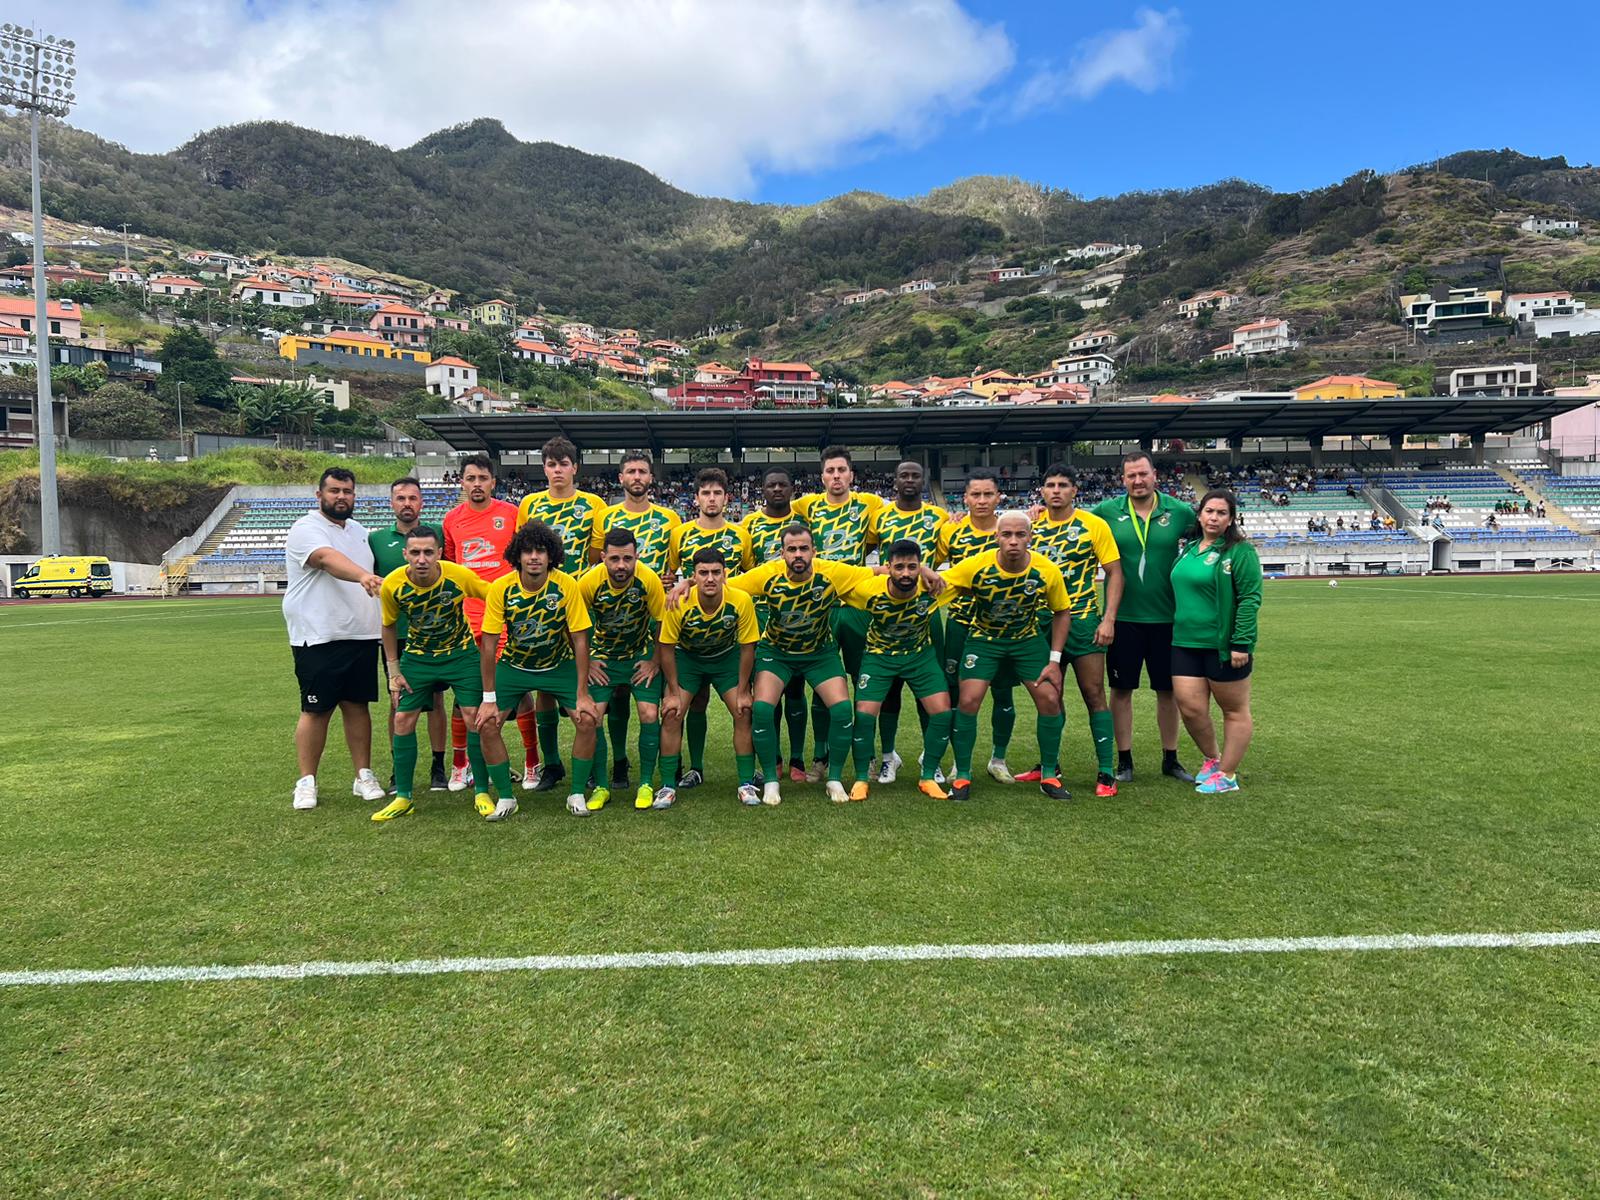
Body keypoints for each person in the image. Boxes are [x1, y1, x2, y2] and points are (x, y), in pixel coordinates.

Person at [728, 525, 938, 804]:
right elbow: (725, 584)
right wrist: (685, 583)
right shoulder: (767, 574)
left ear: (814, 551)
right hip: (776, 653)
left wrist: (924, 571)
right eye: (792, 549)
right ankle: (770, 781)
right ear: (782, 553)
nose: (798, 554)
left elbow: (881, 571)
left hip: (820, 653)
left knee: (841, 710)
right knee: (763, 708)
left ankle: (835, 778)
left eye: (804, 548)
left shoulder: (832, 572)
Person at [940, 511, 1071, 803]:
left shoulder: (1046, 570)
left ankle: (1049, 774)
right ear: (997, 537)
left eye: (1020, 535)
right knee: (969, 699)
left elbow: (1062, 611)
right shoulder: (975, 566)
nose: (1013, 541)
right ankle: (962, 774)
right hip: (984, 639)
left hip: (1026, 640)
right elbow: (940, 583)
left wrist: (1054, 659)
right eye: (1007, 535)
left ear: (1030, 537)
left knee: (1049, 699)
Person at [474, 521, 601, 820]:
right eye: (528, 551)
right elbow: (489, 645)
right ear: (517, 555)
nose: (534, 557)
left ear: (551, 556)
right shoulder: (501, 588)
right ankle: (506, 797)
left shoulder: (565, 585)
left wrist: (582, 693)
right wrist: (488, 697)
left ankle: (577, 792)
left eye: (541, 551)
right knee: (488, 723)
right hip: (515, 666)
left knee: (587, 719)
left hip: (558, 665)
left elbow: (580, 639)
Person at [282, 467, 387, 811]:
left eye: (348, 491)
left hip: (361, 633)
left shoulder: (359, 531)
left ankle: (363, 776)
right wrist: (363, 576)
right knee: (316, 708)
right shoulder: (306, 528)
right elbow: (326, 559)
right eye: (334, 490)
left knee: (357, 706)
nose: (341, 496)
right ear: (320, 495)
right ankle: (306, 782)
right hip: (319, 635)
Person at [1091, 452, 1200, 784]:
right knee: (1121, 690)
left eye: (1142, 474)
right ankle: (1124, 760)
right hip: (1122, 617)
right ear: (1122, 479)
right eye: (1130, 476)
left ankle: (1171, 758)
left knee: (1168, 692)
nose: (1137, 481)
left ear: (1155, 475)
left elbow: (1210, 539)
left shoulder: (1179, 512)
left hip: (1168, 618)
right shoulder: (1106, 512)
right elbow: (1068, 522)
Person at [372, 526, 493, 822]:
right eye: (415, 552)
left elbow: (494, 596)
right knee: (402, 718)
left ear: (439, 553)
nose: (422, 559)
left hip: (462, 655)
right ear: (405, 555)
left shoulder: (458, 575)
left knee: (472, 716)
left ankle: (481, 791)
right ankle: (403, 796)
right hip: (418, 658)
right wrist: (393, 670)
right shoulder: (393, 585)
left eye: (428, 552)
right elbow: (388, 626)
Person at [516, 436, 608, 797]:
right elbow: (525, 550)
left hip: (577, 599)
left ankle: (594, 768)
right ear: (544, 469)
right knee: (545, 687)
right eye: (551, 465)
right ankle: (552, 763)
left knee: (588, 678)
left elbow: (595, 555)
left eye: (563, 464)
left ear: (575, 468)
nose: (558, 471)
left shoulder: (594, 503)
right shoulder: (530, 504)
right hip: (540, 601)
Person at [1026, 464, 1124, 796]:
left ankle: (1106, 771)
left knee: (1094, 694)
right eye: (1050, 485)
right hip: (1040, 621)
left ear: (1074, 490)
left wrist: (1108, 618)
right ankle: (1050, 767)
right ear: (1041, 491)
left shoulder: (1093, 525)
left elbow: (1115, 572)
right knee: (1048, 697)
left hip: (1082, 620)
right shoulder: (1030, 526)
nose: (1056, 490)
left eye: (1063, 485)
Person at [791, 446, 885, 783]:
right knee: (822, 684)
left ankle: (867, 755)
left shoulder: (870, 504)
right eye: (830, 471)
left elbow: (887, 530)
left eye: (841, 470)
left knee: (865, 683)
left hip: (857, 604)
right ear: (822, 477)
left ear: (851, 475)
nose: (836, 477)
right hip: (821, 604)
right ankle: (821, 758)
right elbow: (770, 516)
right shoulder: (806, 506)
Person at [589, 450, 682, 789]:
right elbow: (593, 564)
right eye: (631, 471)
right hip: (612, 619)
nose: (637, 477)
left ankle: (667, 761)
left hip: (651, 616)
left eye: (643, 471)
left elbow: (674, 565)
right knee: (614, 701)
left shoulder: (670, 518)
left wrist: (668, 583)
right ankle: (618, 762)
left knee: (655, 700)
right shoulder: (606, 516)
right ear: (621, 478)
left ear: (651, 477)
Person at [441, 453, 527, 792]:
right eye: (471, 478)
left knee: (515, 690)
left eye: (483, 478)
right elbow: (449, 563)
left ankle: (530, 761)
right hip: (465, 620)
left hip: (506, 617)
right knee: (465, 694)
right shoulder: (451, 519)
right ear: (462, 482)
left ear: (494, 482)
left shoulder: (511, 514)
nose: (477, 484)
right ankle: (461, 765)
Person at [843, 539, 954, 802]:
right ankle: (861, 779)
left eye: (912, 567)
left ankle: (928, 776)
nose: (906, 573)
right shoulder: (869, 590)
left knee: (941, 711)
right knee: (865, 715)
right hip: (879, 657)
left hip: (920, 657)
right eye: (899, 567)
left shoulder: (933, 588)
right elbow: (836, 582)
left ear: (920, 567)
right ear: (888, 567)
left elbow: (968, 578)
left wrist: (930, 572)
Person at [666, 467, 755, 789]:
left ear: (727, 498)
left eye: (718, 493)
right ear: (697, 498)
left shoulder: (741, 534)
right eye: (706, 493)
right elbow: (670, 577)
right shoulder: (680, 534)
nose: (712, 498)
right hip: (691, 636)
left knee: (745, 705)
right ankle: (695, 767)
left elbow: (748, 579)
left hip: (728, 635)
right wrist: (683, 584)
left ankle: (751, 770)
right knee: (696, 702)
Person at [1170, 489, 1261, 795]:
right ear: (1199, 515)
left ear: (1231, 519)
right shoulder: (1189, 548)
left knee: (1233, 710)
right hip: (1184, 642)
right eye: (1209, 511)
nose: (1214, 517)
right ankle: (1212, 759)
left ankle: (1228, 774)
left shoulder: (1240, 551)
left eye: (1222, 513)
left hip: (1223, 645)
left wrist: (1241, 643)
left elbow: (1250, 599)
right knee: (1190, 707)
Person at [865, 460, 950, 783]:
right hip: (887, 610)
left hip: (925, 611)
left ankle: (932, 756)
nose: (910, 480)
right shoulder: (880, 517)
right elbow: (866, 557)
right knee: (888, 689)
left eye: (916, 475)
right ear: (895, 481)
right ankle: (889, 757)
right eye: (904, 475)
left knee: (928, 687)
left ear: (924, 479)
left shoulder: (940, 517)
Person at [657, 547, 761, 809]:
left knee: (743, 710)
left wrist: (744, 689)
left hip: (726, 658)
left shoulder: (740, 600)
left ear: (725, 574)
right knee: (672, 712)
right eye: (703, 573)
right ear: (694, 575)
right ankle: (668, 785)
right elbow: (666, 648)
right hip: (688, 659)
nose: (710, 578)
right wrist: (671, 691)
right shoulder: (677, 601)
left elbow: (748, 647)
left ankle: (746, 782)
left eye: (716, 572)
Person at [938, 468, 1020, 784]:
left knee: (1002, 692)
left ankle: (998, 759)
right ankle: (960, 762)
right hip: (961, 623)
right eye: (976, 494)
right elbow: (931, 568)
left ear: (999, 497)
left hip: (1002, 627)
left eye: (989, 494)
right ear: (965, 498)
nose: (982, 500)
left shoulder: (1013, 529)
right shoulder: (951, 532)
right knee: (956, 693)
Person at [576, 528, 667, 811]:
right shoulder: (589, 582)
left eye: (627, 559)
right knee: (592, 717)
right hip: (603, 657)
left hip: (639, 655)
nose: (621, 566)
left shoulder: (648, 579)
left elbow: (663, 623)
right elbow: (575, 624)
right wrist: (588, 661)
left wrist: (655, 661)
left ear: (636, 556)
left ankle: (646, 783)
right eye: (614, 559)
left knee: (649, 712)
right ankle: (602, 786)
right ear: (602, 557)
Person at [369, 477, 449, 794]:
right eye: (400, 498)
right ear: (392, 503)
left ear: (421, 503)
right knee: (397, 699)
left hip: (435, 633)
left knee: (437, 699)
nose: (406, 503)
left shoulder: (436, 534)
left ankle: (438, 767)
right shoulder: (375, 540)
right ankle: (397, 770)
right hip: (397, 634)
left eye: (412, 498)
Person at [740, 467, 810, 783]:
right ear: (762, 490)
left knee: (796, 687)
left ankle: (797, 758)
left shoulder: (805, 522)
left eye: (783, 484)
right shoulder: (749, 525)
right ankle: (776, 758)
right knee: (770, 690)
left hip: (802, 612)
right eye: (771, 485)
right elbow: (742, 571)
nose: (778, 489)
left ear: (792, 488)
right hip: (763, 615)